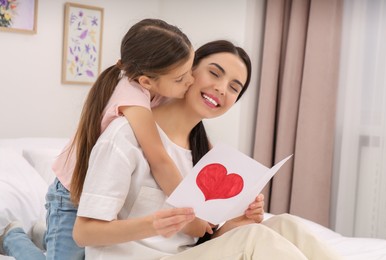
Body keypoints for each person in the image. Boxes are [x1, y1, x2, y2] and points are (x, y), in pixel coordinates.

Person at [73, 40, 343, 259]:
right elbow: (84, 233)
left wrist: (239, 221)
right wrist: (154, 224)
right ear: (188, 71)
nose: (221, 88)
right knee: (254, 239)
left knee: (286, 224)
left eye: (234, 87)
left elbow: (204, 238)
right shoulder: (126, 135)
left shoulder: (208, 155)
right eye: (215, 73)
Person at [1, 18, 195, 260]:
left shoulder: (150, 88)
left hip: (97, 199)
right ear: (146, 80)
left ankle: (46, 235)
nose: (191, 81)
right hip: (72, 197)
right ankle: (13, 237)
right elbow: (160, 160)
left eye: (191, 71)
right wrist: (194, 209)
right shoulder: (133, 101)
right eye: (180, 79)